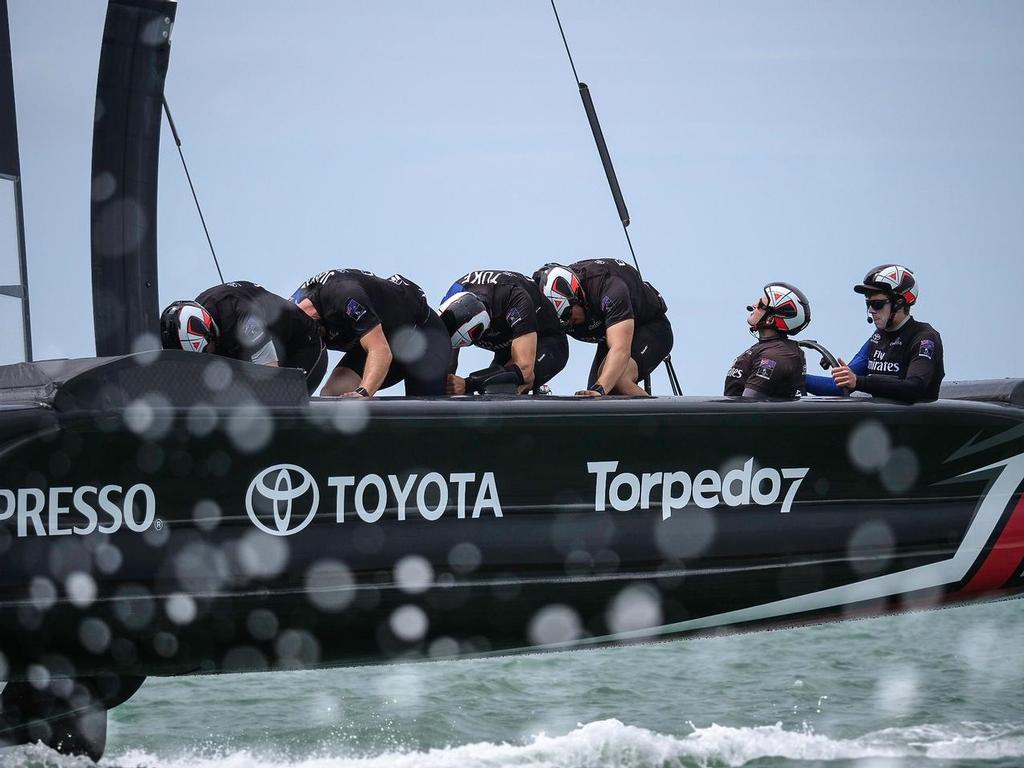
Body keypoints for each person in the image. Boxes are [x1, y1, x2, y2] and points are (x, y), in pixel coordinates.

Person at [291, 269, 448, 397]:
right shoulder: (289, 316)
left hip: (421, 337)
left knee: (421, 421)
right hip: (381, 337)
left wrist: (363, 392)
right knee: (334, 394)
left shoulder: (346, 299)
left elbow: (381, 350)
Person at [534, 259, 673, 397]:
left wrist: (600, 389)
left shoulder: (610, 287)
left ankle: (661, 419)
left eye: (567, 314)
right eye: (561, 322)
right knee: (594, 400)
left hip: (649, 327)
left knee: (617, 381)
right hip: (610, 335)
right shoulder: (554, 312)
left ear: (578, 295)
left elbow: (620, 348)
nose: (568, 323)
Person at [160, 280, 327, 394]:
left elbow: (271, 379)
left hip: (303, 346)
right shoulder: (202, 308)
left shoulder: (246, 320)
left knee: (277, 399)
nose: (209, 356)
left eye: (206, 350)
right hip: (253, 348)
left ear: (209, 329)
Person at [806, 264, 944, 403]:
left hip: (917, 422)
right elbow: (842, 385)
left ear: (899, 303)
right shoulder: (878, 337)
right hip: (884, 422)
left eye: (877, 304)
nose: (871, 310)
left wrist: (859, 382)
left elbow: (914, 388)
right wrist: (796, 377)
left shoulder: (924, 338)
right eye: (868, 303)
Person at [439, 269, 568, 395]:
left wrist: (468, 384)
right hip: (506, 343)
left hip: (546, 340)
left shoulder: (515, 299)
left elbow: (525, 371)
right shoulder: (454, 296)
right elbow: (448, 366)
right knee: (488, 387)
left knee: (508, 386)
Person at [724, 282, 809, 398]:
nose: (753, 305)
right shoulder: (769, 348)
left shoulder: (775, 355)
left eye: (760, 305)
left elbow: (748, 405)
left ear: (770, 319)